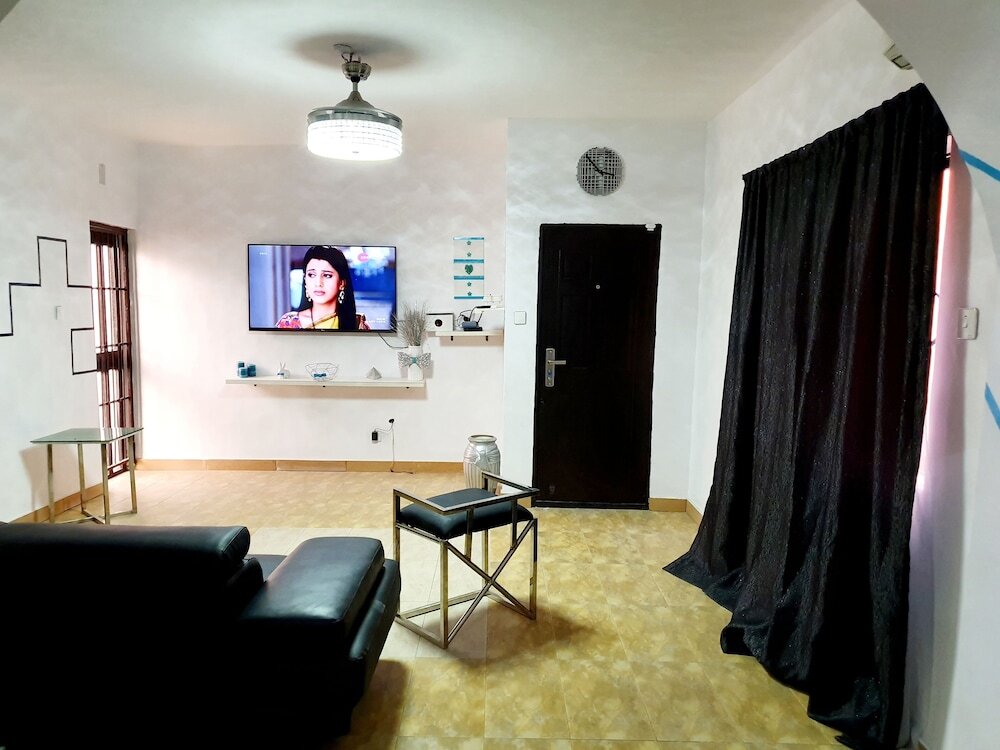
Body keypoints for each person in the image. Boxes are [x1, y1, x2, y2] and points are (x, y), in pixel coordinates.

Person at [275, 246, 370, 330]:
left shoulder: (357, 324)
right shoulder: (288, 323)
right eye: (312, 275)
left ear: (341, 283)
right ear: (305, 280)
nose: (318, 283)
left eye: (327, 275)